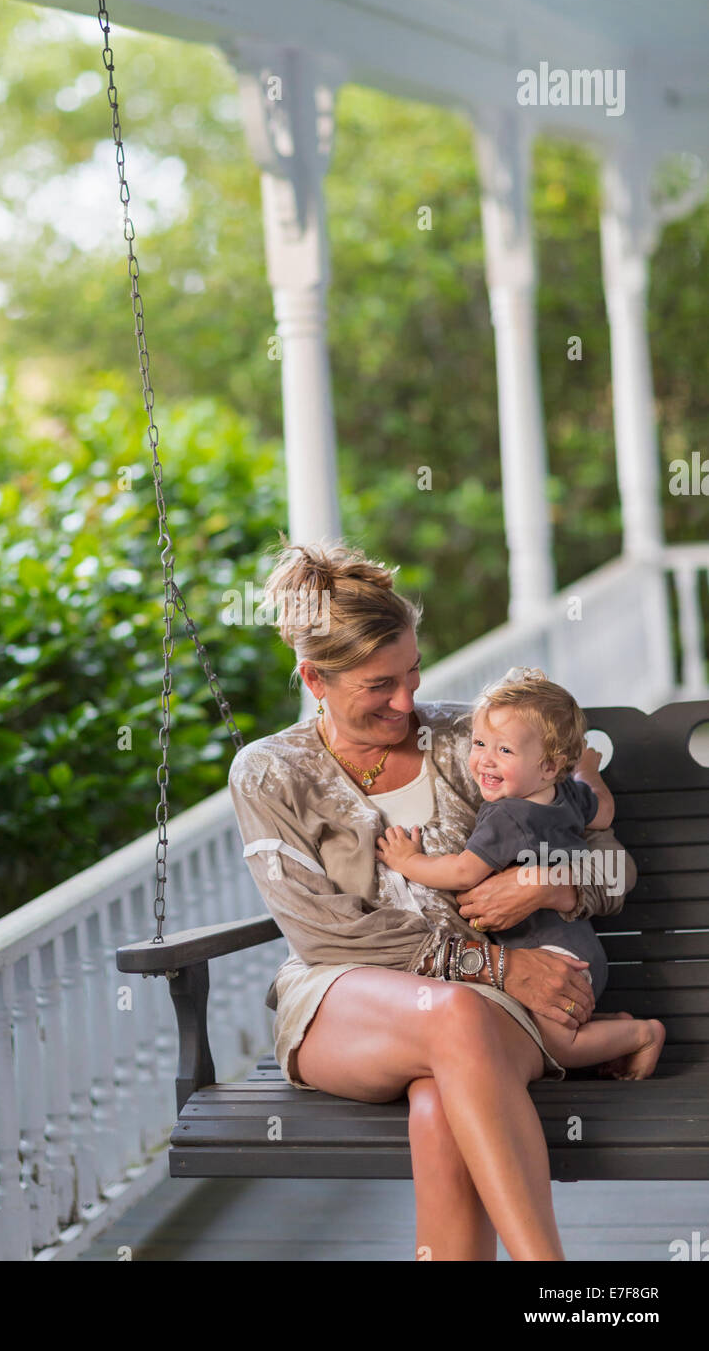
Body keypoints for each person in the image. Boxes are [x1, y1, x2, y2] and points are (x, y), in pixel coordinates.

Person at [227, 536, 639, 1262]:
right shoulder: (269, 772)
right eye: (379, 685)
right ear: (315, 680)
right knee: (450, 1012)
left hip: (495, 1008)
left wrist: (547, 882)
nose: (406, 699)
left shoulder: (469, 740)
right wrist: (497, 967)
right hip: (345, 999)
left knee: (440, 1102)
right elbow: (326, 935)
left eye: (413, 672)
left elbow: (615, 874)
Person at [376, 667, 665, 1079]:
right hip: (580, 948)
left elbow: (461, 872)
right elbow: (604, 812)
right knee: (531, 1032)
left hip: (553, 959)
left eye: (504, 751)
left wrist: (407, 861)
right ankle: (611, 1025)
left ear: (548, 765)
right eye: (479, 743)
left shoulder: (507, 816)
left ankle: (642, 1035)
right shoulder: (567, 793)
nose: (484, 761)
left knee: (557, 1047)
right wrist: (588, 771)